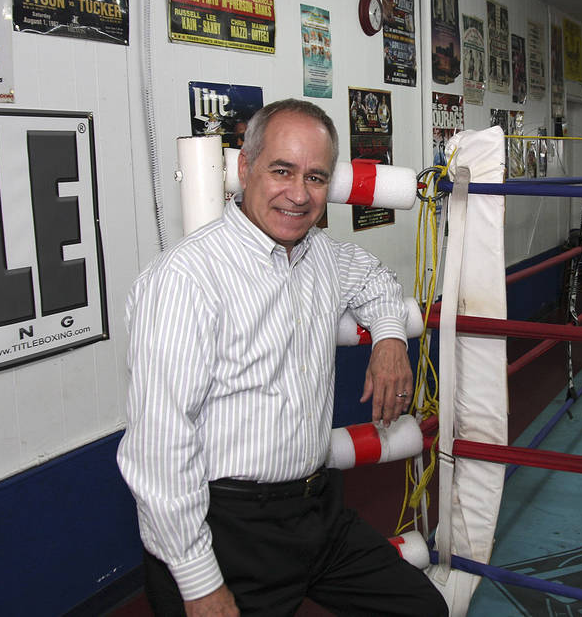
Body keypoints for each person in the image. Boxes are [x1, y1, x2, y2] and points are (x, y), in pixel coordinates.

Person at [118, 99, 447, 617]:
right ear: (245, 169)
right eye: (281, 170)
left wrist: (388, 340)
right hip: (228, 528)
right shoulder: (185, 280)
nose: (298, 194)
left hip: (319, 512)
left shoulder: (320, 254)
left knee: (421, 609)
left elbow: (377, 280)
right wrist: (201, 583)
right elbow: (158, 450)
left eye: (316, 177)